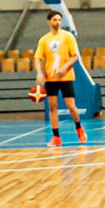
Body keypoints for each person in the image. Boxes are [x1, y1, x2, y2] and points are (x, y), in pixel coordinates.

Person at [34, 10, 87, 147]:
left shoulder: (68, 37)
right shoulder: (43, 39)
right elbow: (38, 58)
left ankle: (79, 128)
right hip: (50, 79)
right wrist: (40, 73)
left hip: (66, 77)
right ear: (49, 21)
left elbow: (75, 56)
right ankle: (56, 137)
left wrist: (64, 68)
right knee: (52, 106)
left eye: (59, 20)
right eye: (55, 20)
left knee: (71, 106)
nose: (57, 22)